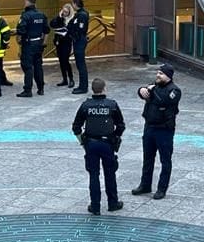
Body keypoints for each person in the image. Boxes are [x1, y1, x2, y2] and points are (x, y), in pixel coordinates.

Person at [72, 77, 125, 215]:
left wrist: (82, 142)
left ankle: (95, 206)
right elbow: (121, 125)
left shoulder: (86, 106)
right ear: (104, 88)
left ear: (92, 90)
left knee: (93, 175)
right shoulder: (112, 105)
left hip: (91, 144)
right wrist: (116, 137)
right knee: (110, 173)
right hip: (107, 144)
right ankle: (113, 203)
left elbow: (76, 127)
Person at [132, 63, 181, 200]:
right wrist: (141, 90)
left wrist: (151, 91)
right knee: (147, 158)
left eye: (161, 73)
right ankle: (145, 184)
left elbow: (163, 101)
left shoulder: (174, 91)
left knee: (165, 160)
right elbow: (144, 93)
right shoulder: (155, 86)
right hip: (149, 127)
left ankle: (161, 189)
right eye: (157, 73)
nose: (157, 75)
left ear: (168, 76)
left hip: (164, 130)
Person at [15, 0, 50, 97]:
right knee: (38, 66)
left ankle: (27, 90)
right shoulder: (41, 15)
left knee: (28, 67)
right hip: (38, 43)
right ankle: (41, 88)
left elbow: (21, 30)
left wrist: (19, 41)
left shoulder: (25, 15)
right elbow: (46, 30)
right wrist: (43, 42)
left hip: (28, 44)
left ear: (27, 1)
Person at [68, 0, 89, 94]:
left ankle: (83, 87)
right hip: (78, 40)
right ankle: (82, 85)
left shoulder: (82, 15)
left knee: (81, 64)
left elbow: (80, 28)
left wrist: (73, 33)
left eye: (73, 4)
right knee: (79, 64)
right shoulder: (79, 14)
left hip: (79, 40)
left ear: (76, 4)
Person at [50, 3, 75, 88]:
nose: (64, 13)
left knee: (65, 60)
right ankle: (64, 79)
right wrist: (59, 16)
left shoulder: (72, 20)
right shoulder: (60, 18)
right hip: (59, 42)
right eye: (63, 11)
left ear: (69, 12)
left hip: (67, 42)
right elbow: (52, 24)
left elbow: (72, 31)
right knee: (61, 61)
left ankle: (71, 79)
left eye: (66, 12)